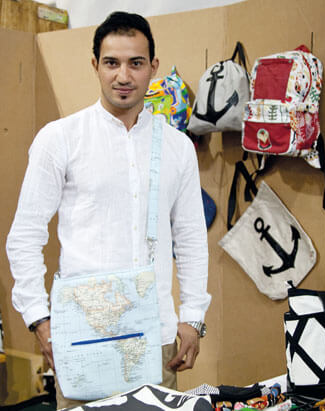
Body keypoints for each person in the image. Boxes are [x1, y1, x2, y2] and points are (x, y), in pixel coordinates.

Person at [6, 11, 210, 409]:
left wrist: (193, 316)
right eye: (112, 62)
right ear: (95, 65)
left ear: (153, 66)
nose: (123, 76)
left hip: (155, 337)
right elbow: (25, 236)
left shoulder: (177, 147)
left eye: (136, 63)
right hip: (83, 339)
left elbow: (190, 238)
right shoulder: (61, 139)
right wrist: (40, 320)